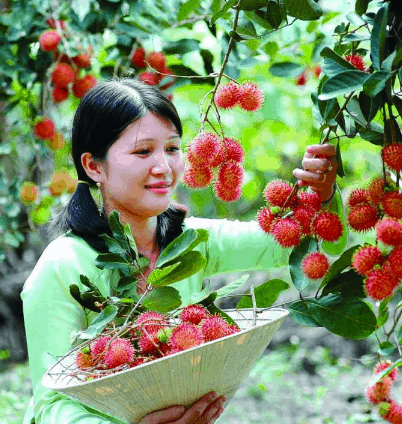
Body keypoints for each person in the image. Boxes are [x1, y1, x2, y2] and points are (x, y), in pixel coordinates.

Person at [21, 78, 339, 424]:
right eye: (143, 151)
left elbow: (286, 243)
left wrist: (320, 197)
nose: (164, 167)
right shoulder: (62, 267)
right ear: (94, 166)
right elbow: (52, 407)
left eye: (172, 148)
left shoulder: (190, 240)